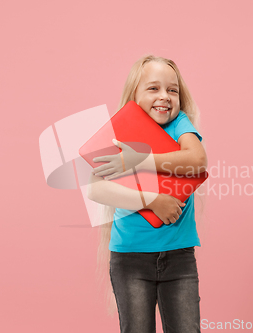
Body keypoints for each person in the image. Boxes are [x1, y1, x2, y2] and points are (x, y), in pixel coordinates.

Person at [87, 54, 207, 333]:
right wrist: (153, 201)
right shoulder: (119, 132)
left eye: (172, 89)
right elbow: (95, 187)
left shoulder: (180, 126)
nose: (164, 96)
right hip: (130, 257)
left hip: (179, 256)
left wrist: (140, 160)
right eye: (153, 88)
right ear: (134, 96)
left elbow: (198, 160)